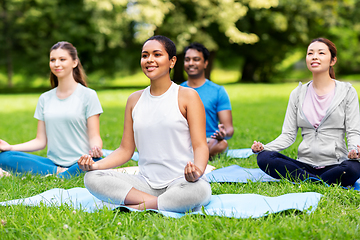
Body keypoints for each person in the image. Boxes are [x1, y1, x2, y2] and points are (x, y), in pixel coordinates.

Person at [78, 35, 211, 213]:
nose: (149, 60)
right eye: (145, 55)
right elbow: (125, 150)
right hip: (144, 183)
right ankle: (157, 203)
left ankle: (133, 206)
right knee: (92, 178)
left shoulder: (187, 96)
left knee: (199, 190)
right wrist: (94, 166)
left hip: (181, 181)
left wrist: (198, 171)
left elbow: (200, 145)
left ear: (172, 61)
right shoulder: (134, 100)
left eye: (157, 55)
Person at [251, 38, 360, 187]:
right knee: (264, 158)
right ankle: (318, 181)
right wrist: (265, 148)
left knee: (353, 168)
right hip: (304, 165)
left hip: (337, 164)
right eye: (310, 53)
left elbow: (353, 131)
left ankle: (307, 181)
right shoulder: (297, 93)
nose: (314, 56)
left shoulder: (347, 92)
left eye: (321, 53)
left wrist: (354, 151)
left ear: (332, 60)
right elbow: (288, 136)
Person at [0, 41, 103, 178]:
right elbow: (40, 141)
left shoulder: (89, 95)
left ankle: (56, 173)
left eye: (62, 59)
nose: (56, 64)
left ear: (74, 62)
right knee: (5, 157)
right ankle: (60, 173)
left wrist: (96, 148)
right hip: (53, 163)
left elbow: (95, 136)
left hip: (81, 162)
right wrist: (11, 147)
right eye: (52, 60)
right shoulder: (45, 98)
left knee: (93, 163)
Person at [181, 43, 234, 158]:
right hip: (183, 141)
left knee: (222, 145)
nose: (191, 63)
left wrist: (223, 134)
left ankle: (194, 156)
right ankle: (198, 156)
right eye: (187, 60)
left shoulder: (218, 91)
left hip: (209, 140)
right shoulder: (176, 91)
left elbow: (229, 128)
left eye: (196, 59)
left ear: (205, 63)